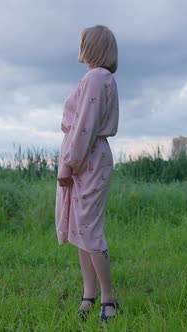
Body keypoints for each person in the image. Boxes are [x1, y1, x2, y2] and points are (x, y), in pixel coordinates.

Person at [55, 25, 120, 323]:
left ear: (91, 46)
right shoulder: (99, 77)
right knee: (81, 231)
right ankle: (89, 294)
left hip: (87, 158)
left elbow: (84, 125)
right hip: (90, 156)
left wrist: (69, 162)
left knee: (89, 231)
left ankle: (108, 298)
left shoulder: (97, 78)